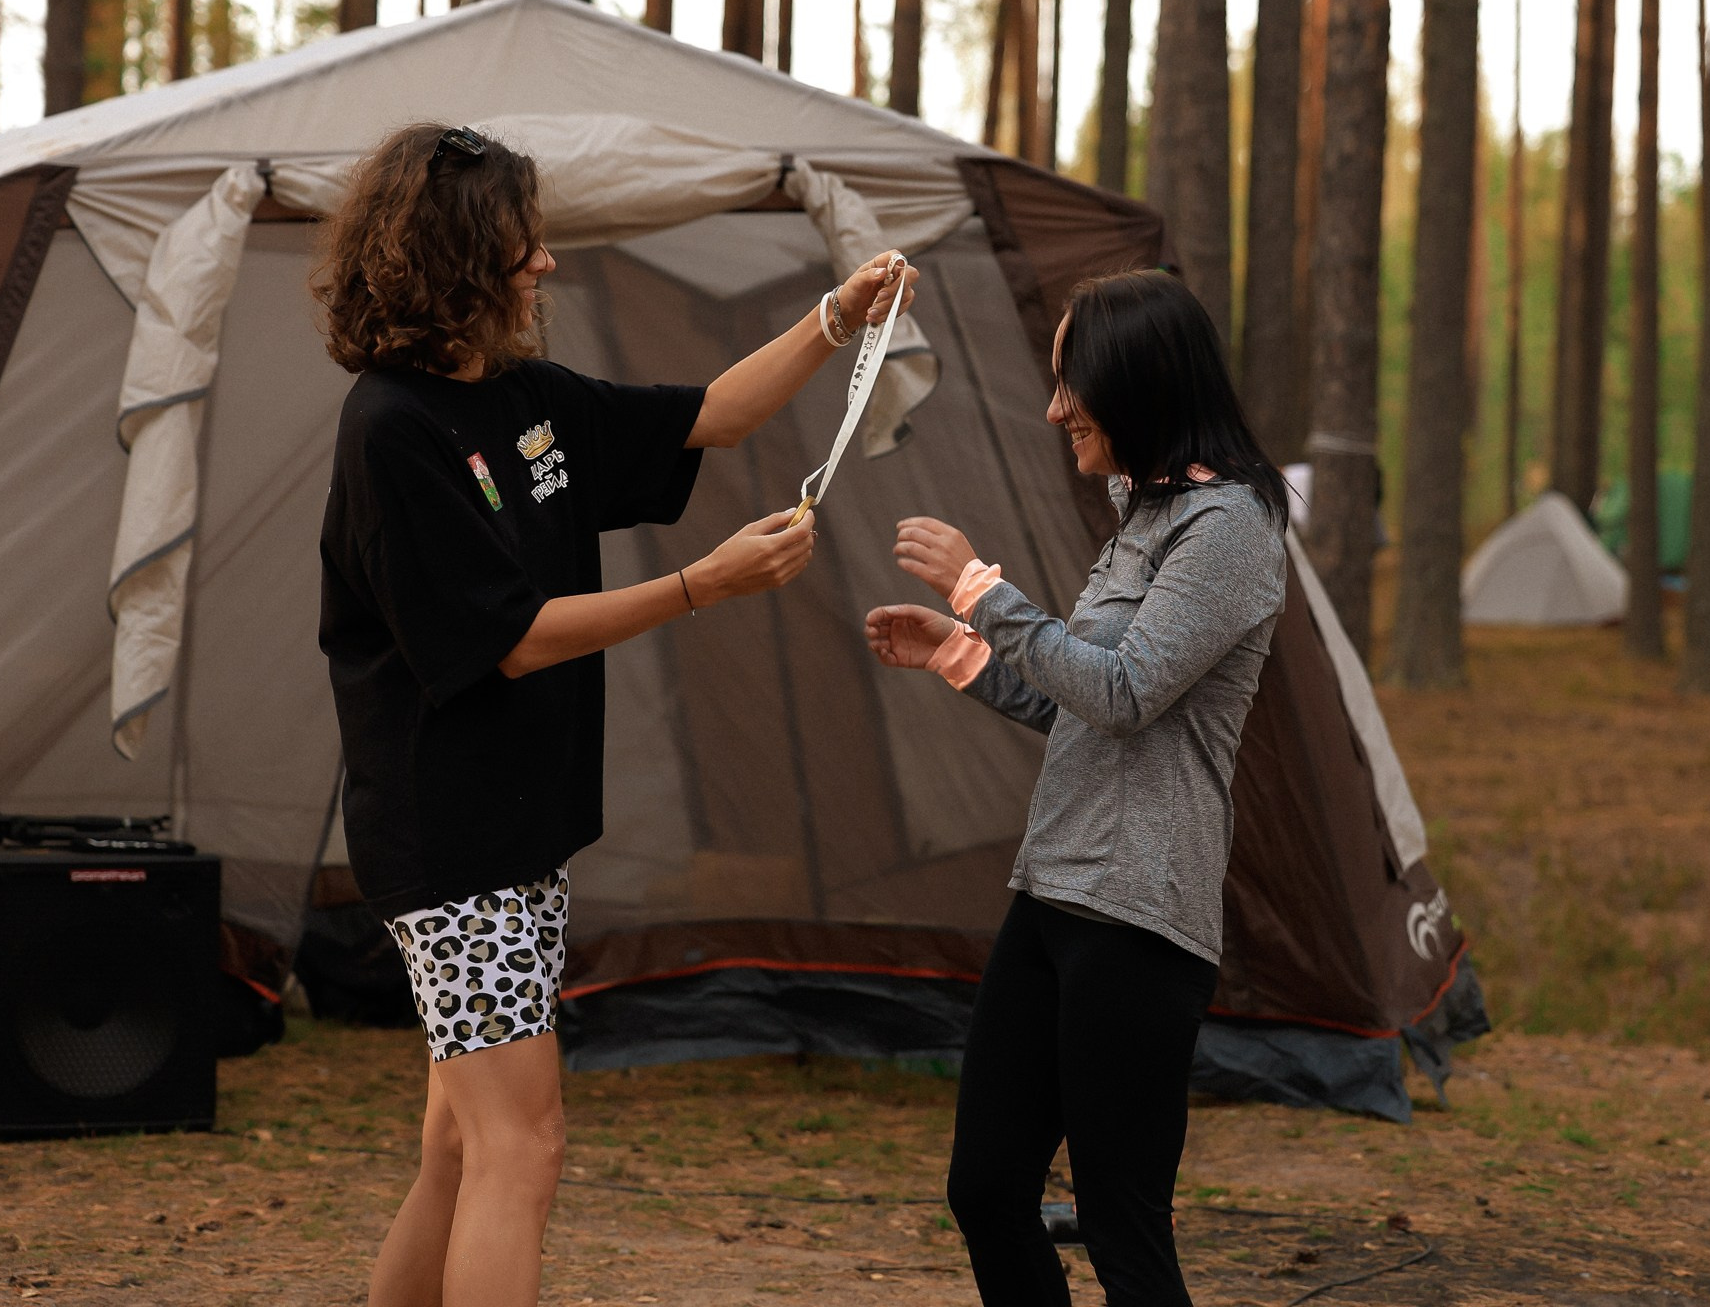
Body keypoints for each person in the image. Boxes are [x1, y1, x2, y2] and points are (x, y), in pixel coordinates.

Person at [312, 122, 914, 1307]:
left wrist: (835, 319)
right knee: (520, 1152)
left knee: (459, 1148)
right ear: (454, 259)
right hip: (449, 848)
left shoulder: (525, 397)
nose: (543, 263)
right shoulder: (391, 430)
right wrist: (702, 585)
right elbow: (513, 639)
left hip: (518, 834)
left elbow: (713, 415)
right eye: (518, 242)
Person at [862, 269, 1289, 1307]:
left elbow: (1130, 689)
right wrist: (961, 653)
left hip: (1141, 909)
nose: (1056, 408)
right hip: (1056, 887)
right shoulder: (1144, 512)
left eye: (1073, 385)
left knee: (1120, 1219)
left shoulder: (1228, 529)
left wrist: (980, 587)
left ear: (1138, 383)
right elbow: (1076, 701)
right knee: (987, 1186)